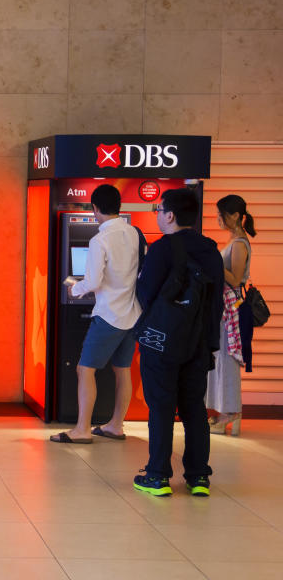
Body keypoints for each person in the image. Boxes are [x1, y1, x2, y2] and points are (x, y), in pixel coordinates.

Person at [133, 188, 224, 497]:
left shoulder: (162, 249)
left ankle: (157, 476)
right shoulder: (211, 250)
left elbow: (145, 294)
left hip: (162, 341)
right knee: (193, 409)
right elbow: (216, 302)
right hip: (199, 342)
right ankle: (199, 478)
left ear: (169, 215)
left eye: (159, 210)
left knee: (160, 406)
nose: (158, 215)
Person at [50, 184, 143, 444]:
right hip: (132, 314)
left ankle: (81, 429)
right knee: (122, 370)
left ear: (95, 209)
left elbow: (91, 282)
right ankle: (116, 425)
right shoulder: (134, 233)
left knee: (84, 369)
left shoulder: (99, 239)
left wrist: (72, 287)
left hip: (108, 315)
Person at [207, 195, 256, 436]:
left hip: (231, 309)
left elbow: (235, 279)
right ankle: (227, 411)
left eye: (221, 214)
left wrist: (214, 261)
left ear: (235, 216)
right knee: (222, 359)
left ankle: (231, 412)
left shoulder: (239, 244)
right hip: (226, 308)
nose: (218, 219)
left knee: (227, 360)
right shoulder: (235, 241)